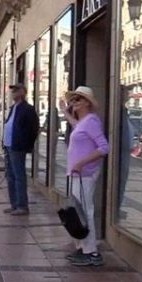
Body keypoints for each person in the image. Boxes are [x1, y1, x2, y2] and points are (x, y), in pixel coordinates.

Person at [62, 85, 110, 267]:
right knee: (79, 212)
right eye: (73, 99)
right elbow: (77, 126)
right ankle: (83, 247)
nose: (74, 102)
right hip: (77, 174)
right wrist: (66, 112)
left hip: (85, 174)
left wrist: (82, 163)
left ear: (87, 103)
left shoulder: (91, 121)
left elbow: (104, 147)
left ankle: (92, 252)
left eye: (78, 99)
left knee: (85, 211)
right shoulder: (83, 122)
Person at [3, 84, 39, 215]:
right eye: (12, 90)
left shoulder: (27, 109)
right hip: (8, 146)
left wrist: (26, 145)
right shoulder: (13, 108)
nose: (13, 92)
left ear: (23, 92)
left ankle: (22, 206)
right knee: (10, 176)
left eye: (16, 90)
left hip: (17, 146)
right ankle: (14, 204)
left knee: (19, 176)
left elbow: (33, 129)